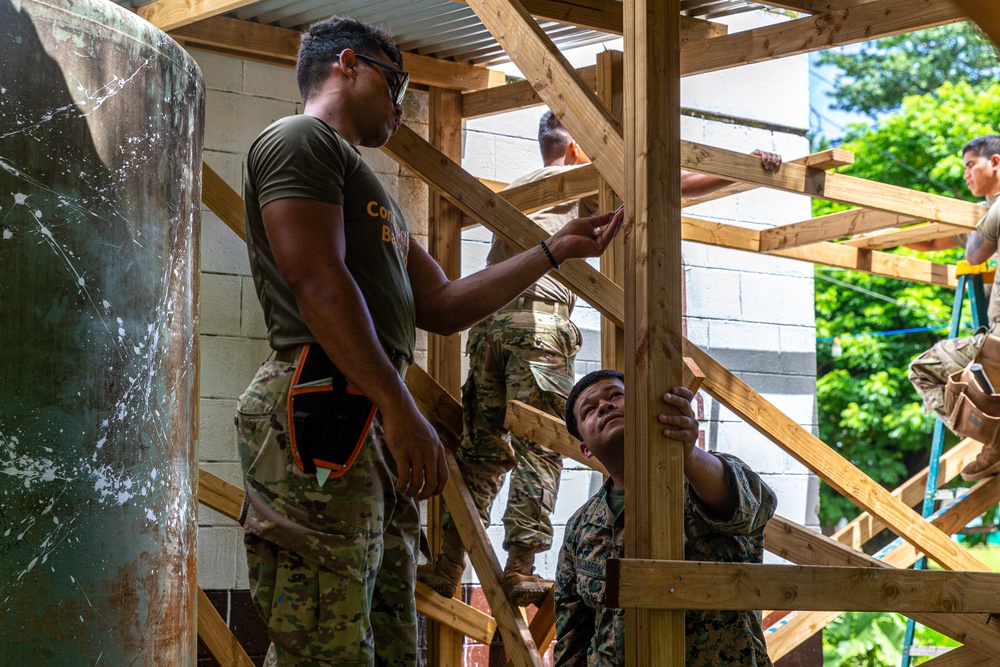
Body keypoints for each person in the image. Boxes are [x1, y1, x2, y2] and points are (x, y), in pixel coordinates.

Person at [235, 16, 624, 667]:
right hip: (324, 402)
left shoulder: (370, 191)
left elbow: (442, 305)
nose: (402, 102)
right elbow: (316, 283)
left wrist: (553, 250)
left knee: (386, 632)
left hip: (366, 412)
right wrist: (401, 407)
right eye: (398, 83)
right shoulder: (299, 140)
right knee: (325, 634)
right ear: (348, 64)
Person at [417, 112, 783, 607]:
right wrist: (743, 166)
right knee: (540, 442)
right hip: (538, 327)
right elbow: (665, 183)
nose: (603, 157)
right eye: (593, 146)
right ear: (573, 149)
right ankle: (520, 565)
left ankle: (444, 568)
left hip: (487, 329)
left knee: (480, 456)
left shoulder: (524, 183)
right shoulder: (581, 178)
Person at [554, 370, 777, 666]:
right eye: (590, 410)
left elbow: (753, 509)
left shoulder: (701, 482)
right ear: (586, 449)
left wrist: (688, 454)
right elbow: (572, 637)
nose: (605, 406)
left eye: (616, 396)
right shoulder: (579, 527)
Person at [909, 135, 1000, 481]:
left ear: (995, 162)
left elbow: (974, 254)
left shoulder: (993, 213)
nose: (965, 175)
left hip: (998, 343)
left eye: (970, 165)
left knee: (924, 370)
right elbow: (931, 240)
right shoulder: (980, 215)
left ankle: (995, 440)